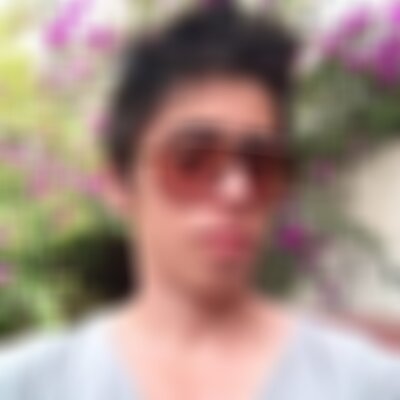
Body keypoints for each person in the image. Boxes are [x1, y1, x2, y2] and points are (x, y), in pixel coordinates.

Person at [0, 4, 399, 400]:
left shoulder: (367, 384)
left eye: (259, 165)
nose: (236, 190)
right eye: (191, 161)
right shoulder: (27, 385)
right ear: (119, 186)